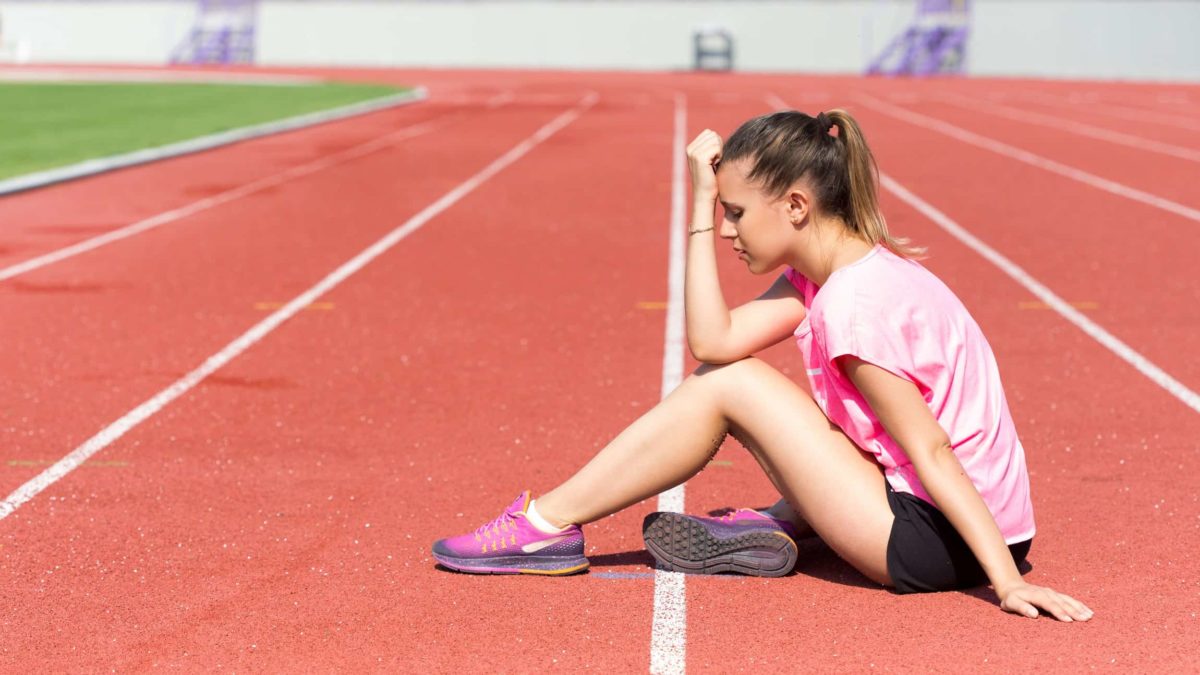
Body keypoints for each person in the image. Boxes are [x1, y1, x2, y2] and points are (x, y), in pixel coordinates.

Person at [432, 109, 1093, 621]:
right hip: (971, 523)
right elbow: (714, 338)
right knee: (738, 374)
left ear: (797, 207)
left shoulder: (855, 308)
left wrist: (1008, 581)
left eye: (736, 213)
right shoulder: (839, 273)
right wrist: (697, 201)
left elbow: (933, 448)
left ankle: (545, 525)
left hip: (935, 541)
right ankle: (780, 521)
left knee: (735, 386)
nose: (727, 231)